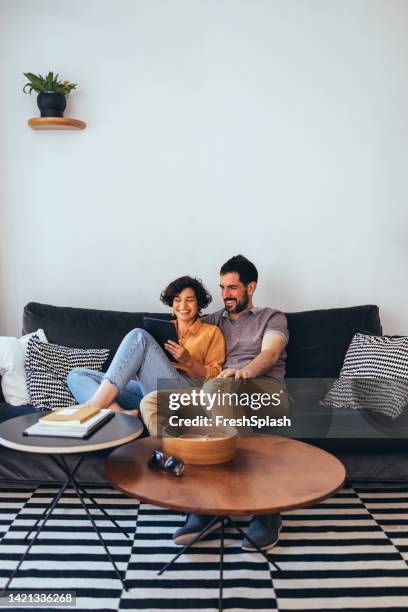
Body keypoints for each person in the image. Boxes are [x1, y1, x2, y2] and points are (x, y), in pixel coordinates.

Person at [142, 255, 289, 552]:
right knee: (151, 402)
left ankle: (266, 509)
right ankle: (202, 495)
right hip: (216, 390)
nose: (226, 295)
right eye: (222, 287)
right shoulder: (212, 321)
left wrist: (245, 371)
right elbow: (186, 329)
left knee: (217, 387)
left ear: (251, 287)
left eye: (232, 288)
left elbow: (271, 354)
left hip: (262, 389)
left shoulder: (272, 317)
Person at [66, 276, 225, 417]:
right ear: (172, 304)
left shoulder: (211, 332)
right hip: (152, 392)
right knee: (76, 375)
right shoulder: (162, 328)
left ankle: (95, 405)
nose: (183, 305)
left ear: (199, 304)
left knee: (139, 336)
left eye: (189, 300)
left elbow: (215, 377)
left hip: (186, 393)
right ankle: (116, 411)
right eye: (177, 299)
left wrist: (189, 361)